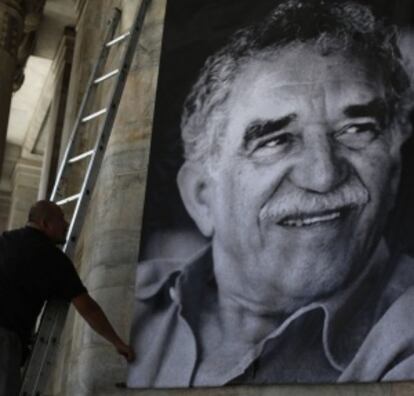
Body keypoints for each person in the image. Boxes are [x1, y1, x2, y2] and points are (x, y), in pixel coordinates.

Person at [128, 0, 414, 388]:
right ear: (201, 197)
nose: (323, 174)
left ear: (393, 172)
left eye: (357, 129)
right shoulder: (130, 305)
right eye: (276, 140)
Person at [0, 200, 134, 396]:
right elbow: (88, 308)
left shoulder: (5, 240)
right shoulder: (52, 259)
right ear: (45, 224)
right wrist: (117, 342)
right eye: (61, 220)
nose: (66, 224)